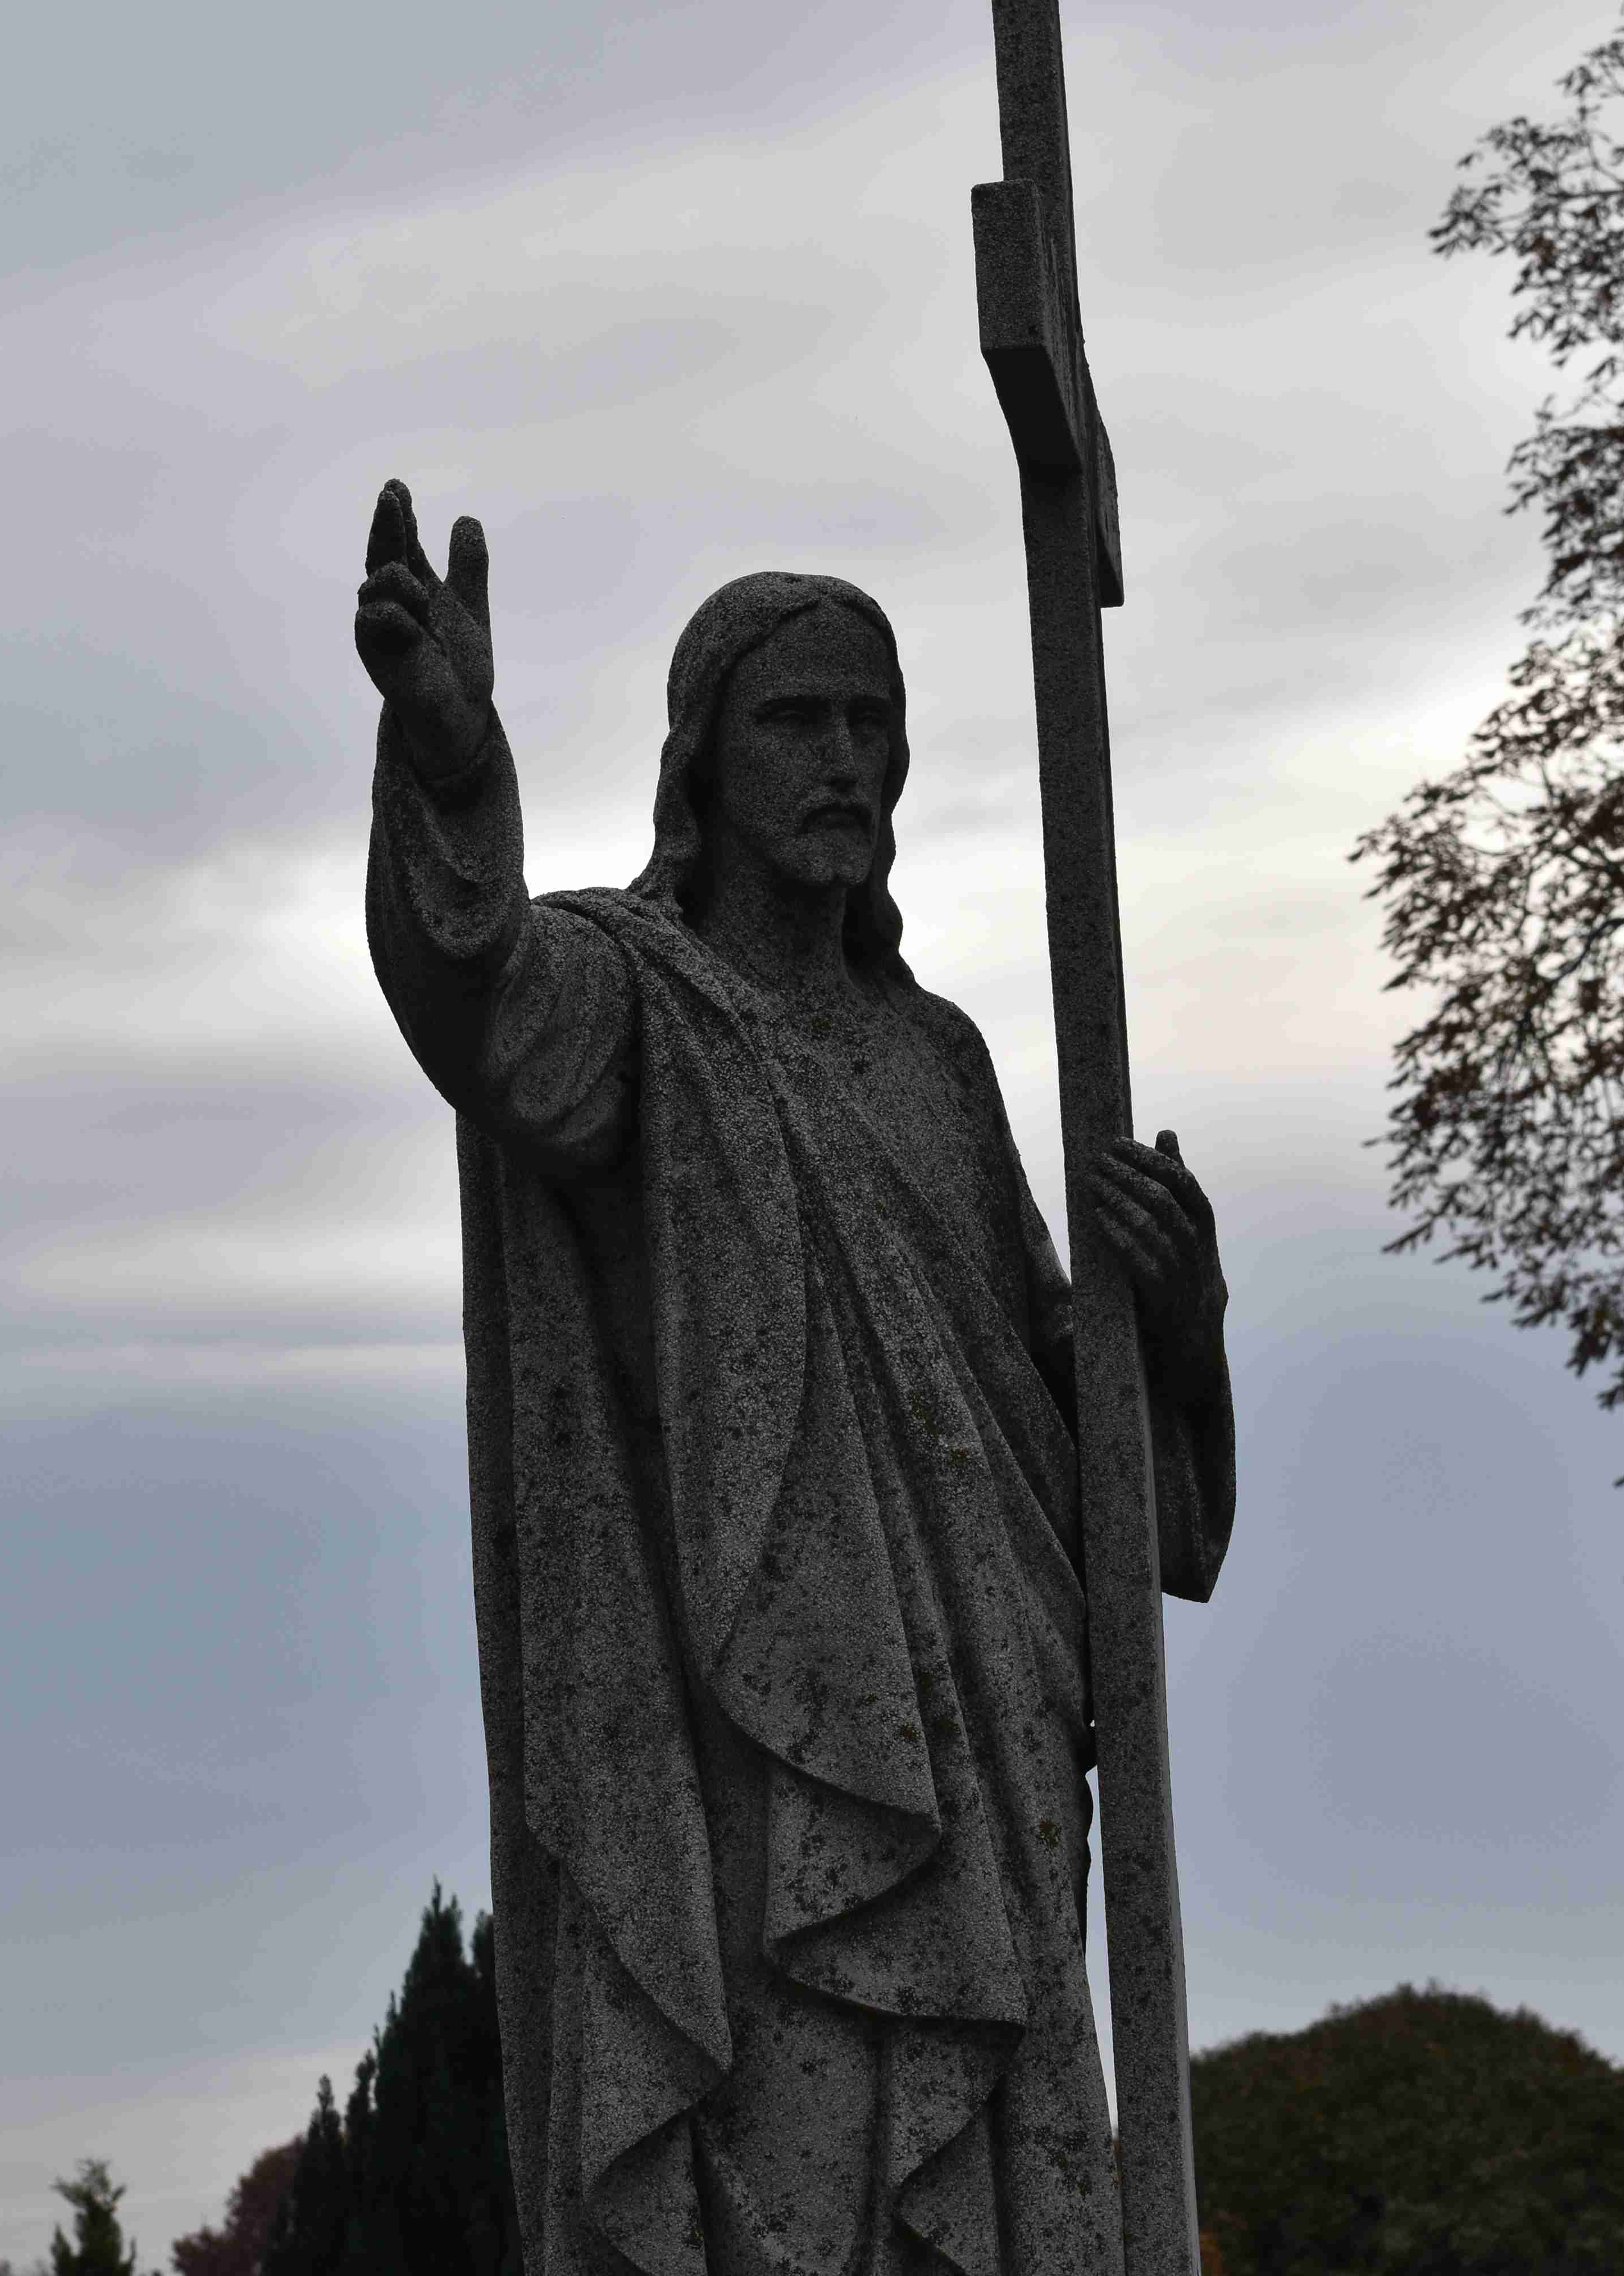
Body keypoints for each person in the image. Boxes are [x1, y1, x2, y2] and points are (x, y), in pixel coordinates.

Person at [354, 478, 1234, 2275]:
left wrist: (1182, 1325)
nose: (844, 761)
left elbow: (1108, 1502)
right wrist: (452, 767)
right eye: (797, 721)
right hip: (766, 1767)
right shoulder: (638, 1002)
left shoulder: (941, 1063)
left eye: (871, 724)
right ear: (705, 756)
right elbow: (484, 1006)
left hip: (995, 1767)